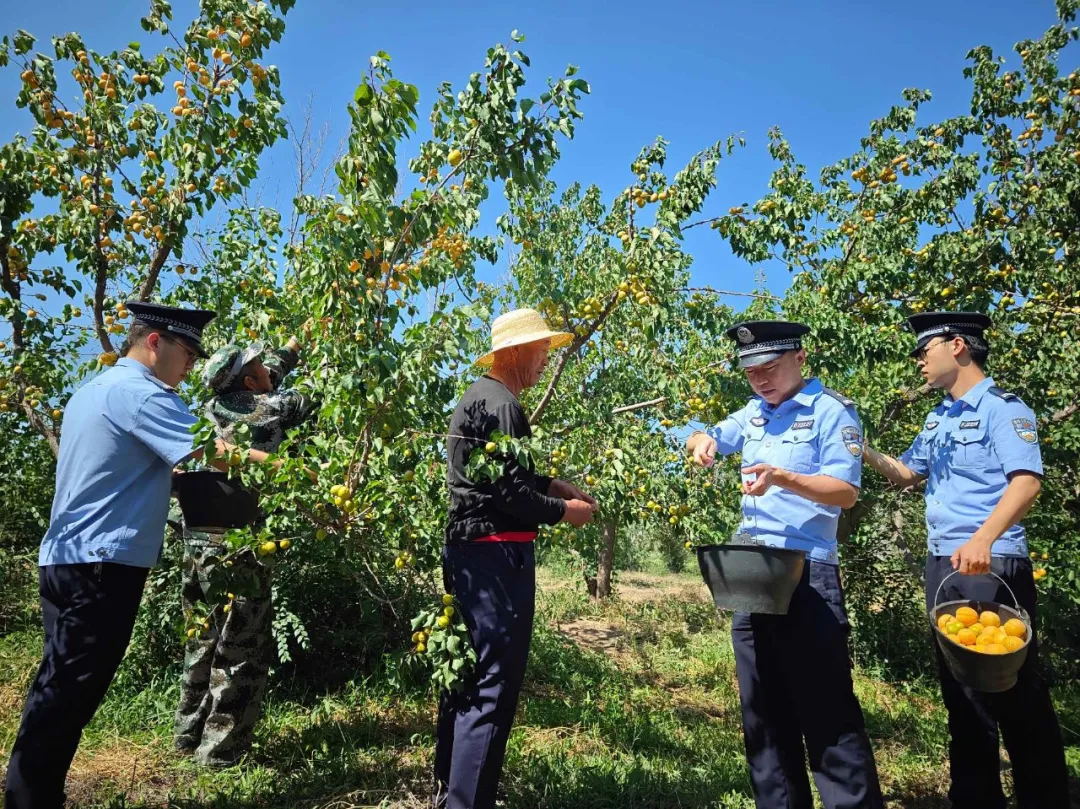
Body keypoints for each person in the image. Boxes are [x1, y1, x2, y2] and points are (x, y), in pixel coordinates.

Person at [4, 303, 286, 809]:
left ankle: (37, 793)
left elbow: (129, 470)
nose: (193, 365)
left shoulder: (95, 389)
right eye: (188, 352)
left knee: (61, 689)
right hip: (102, 566)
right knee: (68, 696)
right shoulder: (143, 394)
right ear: (155, 342)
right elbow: (214, 450)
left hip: (67, 557)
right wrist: (293, 473)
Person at [861, 311, 1068, 809]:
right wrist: (859, 447)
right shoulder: (939, 417)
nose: (917, 361)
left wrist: (984, 539)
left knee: (1014, 692)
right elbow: (907, 474)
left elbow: (1026, 481)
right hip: (944, 567)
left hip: (990, 563)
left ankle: (1044, 798)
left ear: (957, 346)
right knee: (962, 694)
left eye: (923, 350)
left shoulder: (1003, 408)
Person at [686, 320, 883, 809]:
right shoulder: (753, 414)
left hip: (806, 577)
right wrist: (699, 442)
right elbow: (702, 433)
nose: (760, 380)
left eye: (769, 368)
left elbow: (846, 491)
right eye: (750, 372)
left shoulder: (831, 413)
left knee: (827, 714)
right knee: (764, 717)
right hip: (750, 575)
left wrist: (783, 478)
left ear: (800, 358)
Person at [434, 308, 598, 809]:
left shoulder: (477, 398)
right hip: (496, 557)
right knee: (494, 687)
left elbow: (496, 476)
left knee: (466, 675)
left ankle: (449, 790)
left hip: (468, 552)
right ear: (514, 352)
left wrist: (548, 482)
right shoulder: (502, 403)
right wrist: (563, 510)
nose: (546, 361)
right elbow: (508, 496)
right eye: (541, 351)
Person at [172, 335, 317, 766]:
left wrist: (289, 349)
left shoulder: (217, 408)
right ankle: (220, 756)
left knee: (201, 638)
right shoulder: (263, 407)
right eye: (259, 370)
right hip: (239, 544)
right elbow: (298, 402)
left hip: (199, 536)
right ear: (248, 382)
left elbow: (268, 375)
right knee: (240, 648)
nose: (268, 374)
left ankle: (186, 735)